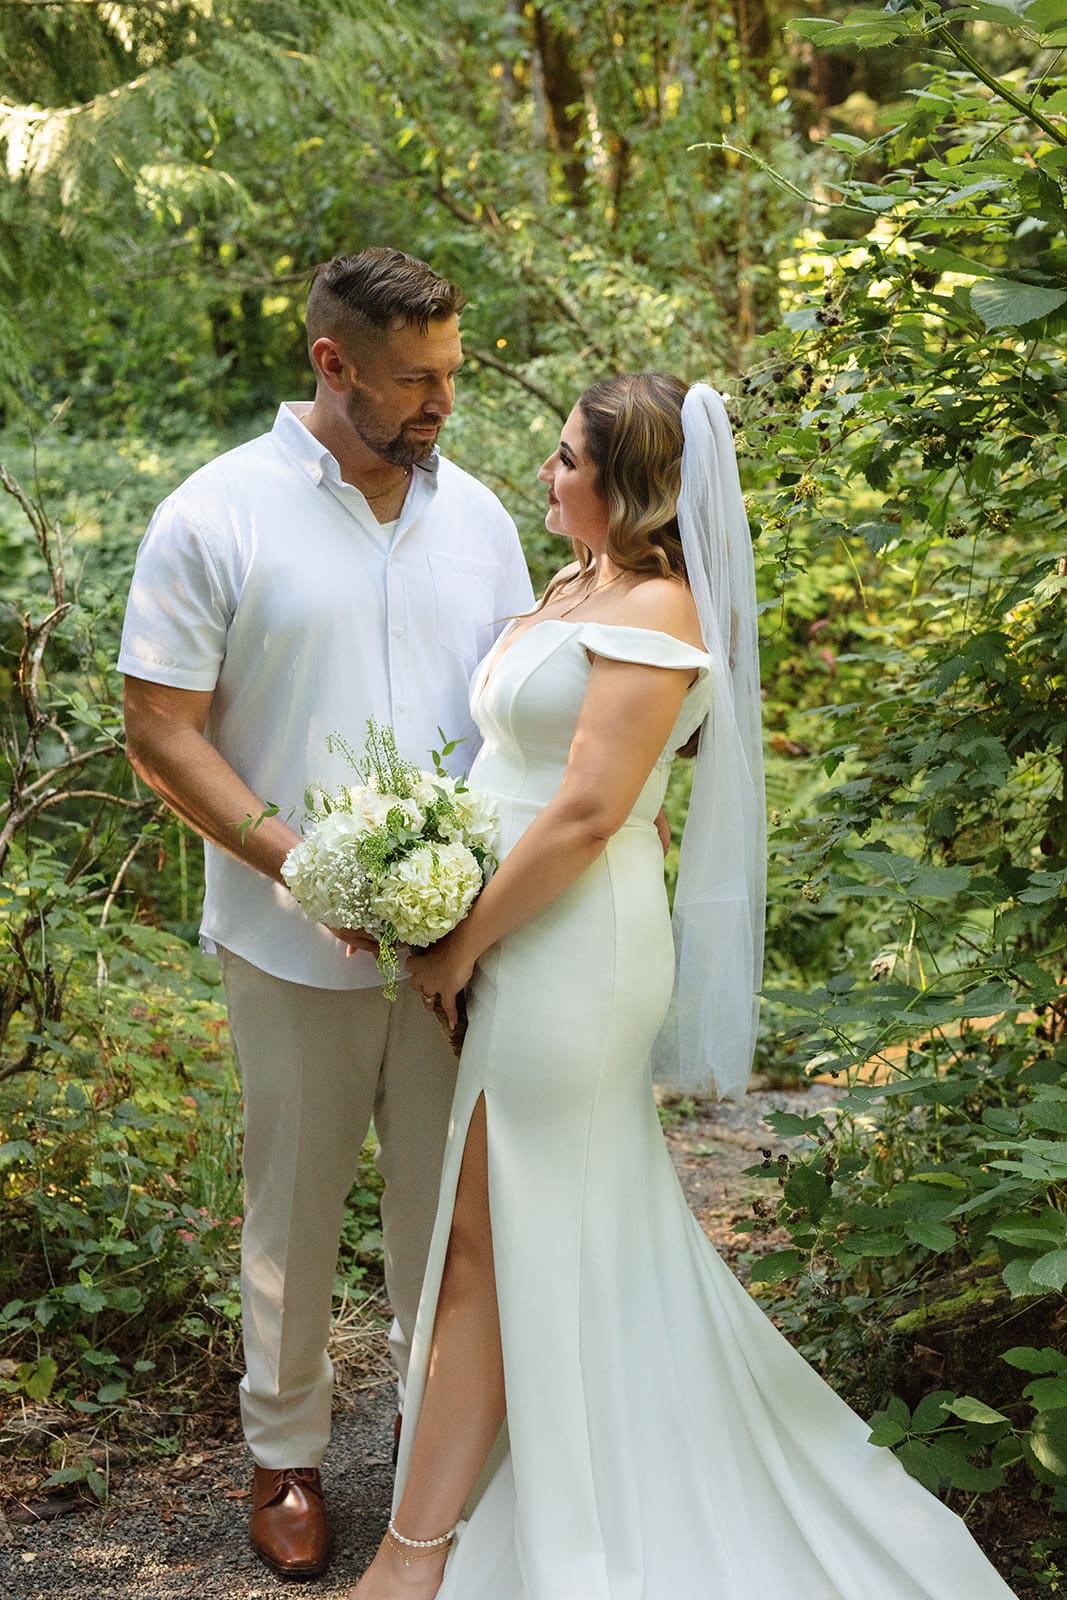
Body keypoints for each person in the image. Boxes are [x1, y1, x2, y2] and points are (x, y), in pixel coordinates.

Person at [346, 374, 1017, 1598]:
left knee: (496, 1243)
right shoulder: (575, 584)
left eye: (565, 460)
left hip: (571, 950)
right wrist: (410, 880)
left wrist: (459, 941)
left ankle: (414, 1552)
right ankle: (505, 1487)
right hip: (508, 932)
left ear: (628, 484)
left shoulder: (661, 606)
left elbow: (594, 808)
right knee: (523, 1232)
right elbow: (510, 766)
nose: (543, 475)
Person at [118, 246, 533, 1580]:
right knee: (291, 1212)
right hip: (283, 942)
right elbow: (158, 730)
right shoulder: (211, 515)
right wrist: (296, 863)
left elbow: (519, 709)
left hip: (454, 944)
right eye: (412, 379)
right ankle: (284, 1454)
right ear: (330, 362)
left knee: (441, 1205)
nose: (438, 403)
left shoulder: (479, 519)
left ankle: (429, 1441)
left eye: (450, 375)